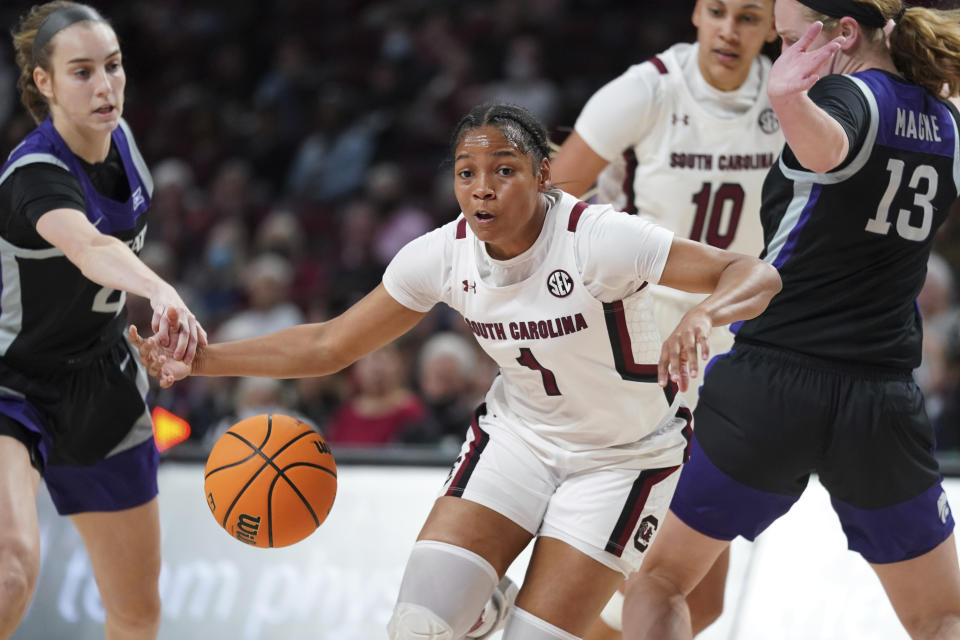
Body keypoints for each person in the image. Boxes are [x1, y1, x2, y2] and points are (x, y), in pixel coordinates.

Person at [132, 102, 780, 640]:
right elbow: (331, 345)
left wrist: (705, 316)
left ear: (544, 174)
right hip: (518, 441)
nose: (483, 187)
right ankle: (478, 609)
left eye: (504, 169)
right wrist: (203, 360)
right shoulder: (442, 256)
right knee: (417, 627)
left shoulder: (601, 238)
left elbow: (752, 271)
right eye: (467, 172)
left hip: (624, 460)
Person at [620, 1, 960, 638]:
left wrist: (787, 99)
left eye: (787, 39)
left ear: (845, 35)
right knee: (943, 617)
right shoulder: (946, 123)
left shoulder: (841, 95)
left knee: (660, 582)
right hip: (881, 399)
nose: (780, 54)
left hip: (773, 384)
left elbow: (833, 148)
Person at [550, 1, 783, 636]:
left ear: (773, 28)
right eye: (717, 12)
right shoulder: (646, 90)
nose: (730, 30)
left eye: (748, 17)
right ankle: (528, 611)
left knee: (699, 603)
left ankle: (515, 615)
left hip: (736, 341)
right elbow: (550, 199)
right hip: (641, 337)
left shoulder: (793, 97)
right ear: (696, 15)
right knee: (645, 580)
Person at [0, 3, 205, 639]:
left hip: (104, 381)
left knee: (137, 613)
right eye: (82, 72)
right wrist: (160, 290)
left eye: (112, 68)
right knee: (11, 571)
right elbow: (90, 248)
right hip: (14, 385)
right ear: (44, 83)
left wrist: (148, 324)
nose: (105, 87)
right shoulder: (33, 174)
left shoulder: (122, 139)